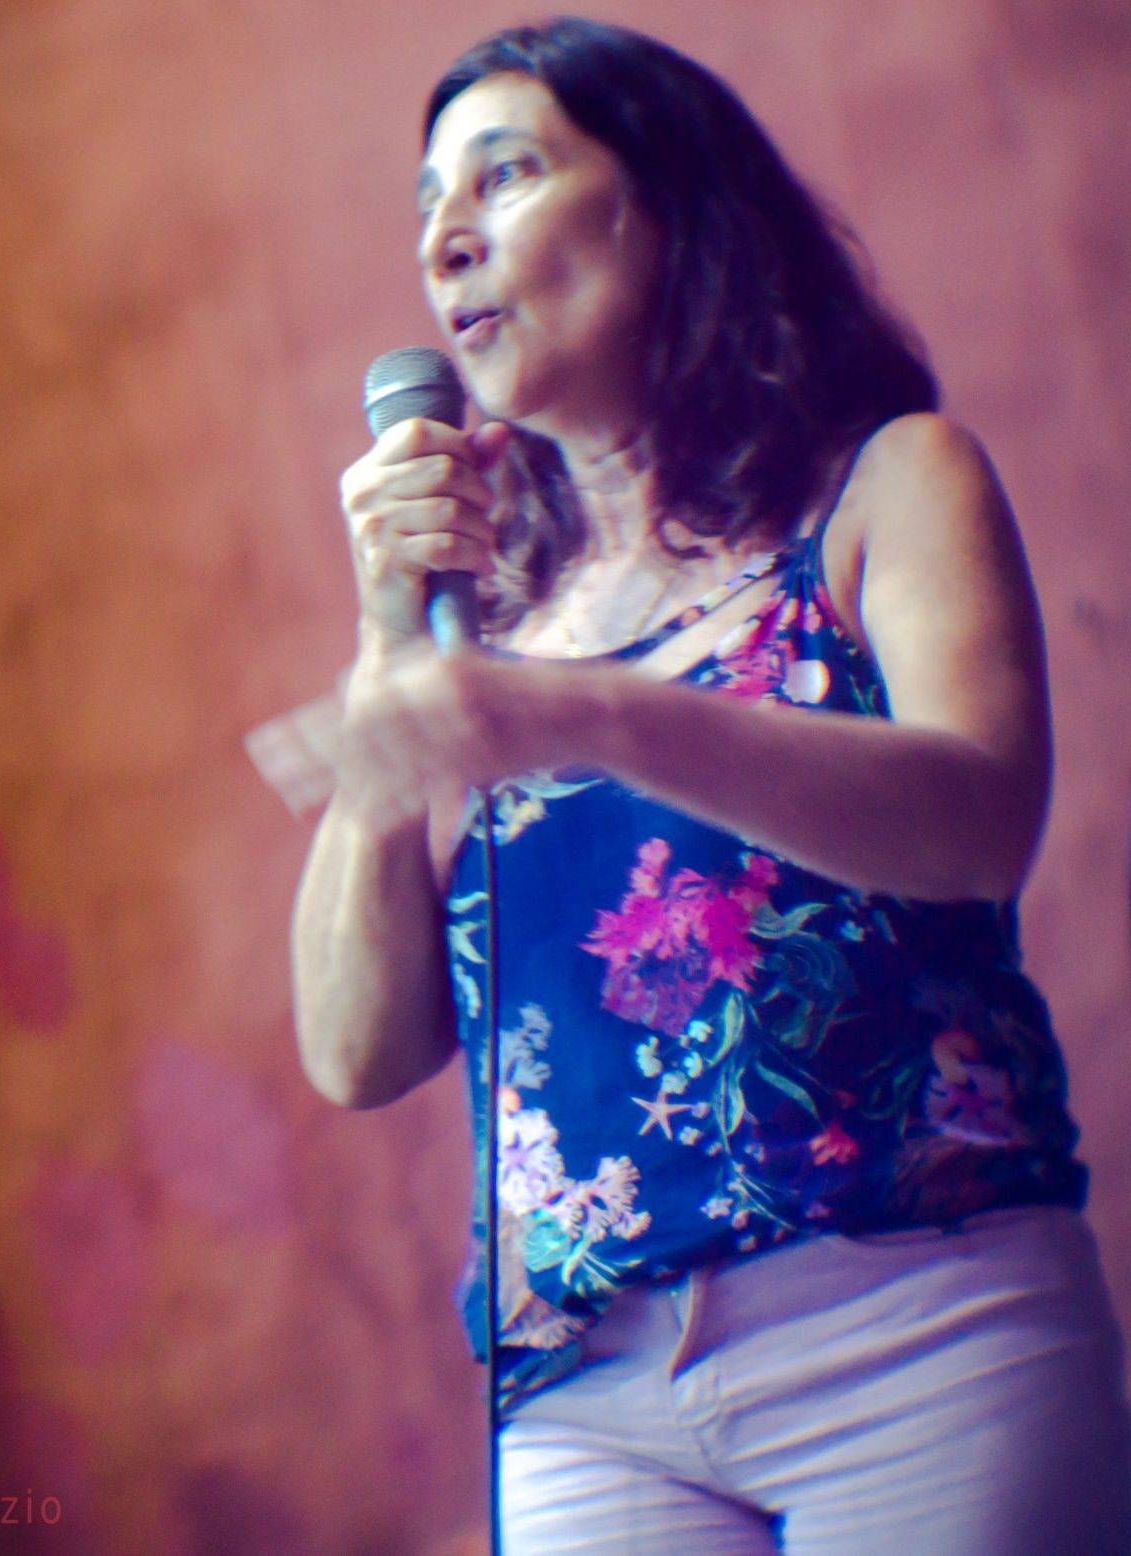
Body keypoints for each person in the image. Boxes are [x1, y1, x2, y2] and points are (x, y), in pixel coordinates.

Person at [288, 17, 1131, 1552]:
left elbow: (979, 821)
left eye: (505, 175)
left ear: (672, 203)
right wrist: (388, 640)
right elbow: (354, 1050)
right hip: (586, 1399)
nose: (444, 238)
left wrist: (591, 713)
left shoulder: (887, 485)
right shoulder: (490, 633)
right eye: (426, 204)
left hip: (916, 1329)